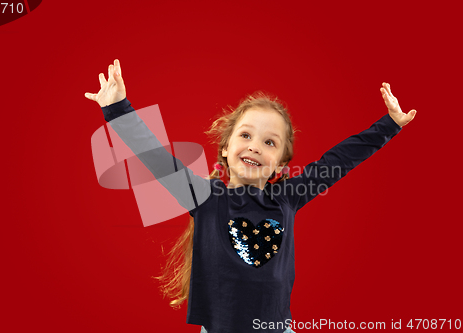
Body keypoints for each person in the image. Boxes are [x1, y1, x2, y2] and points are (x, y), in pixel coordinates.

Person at [85, 59, 416, 333]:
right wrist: (117, 108)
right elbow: (156, 158)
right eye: (246, 135)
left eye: (270, 143)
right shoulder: (204, 197)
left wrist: (390, 124)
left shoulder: (287, 197)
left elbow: (337, 161)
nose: (256, 146)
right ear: (226, 148)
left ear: (280, 164)